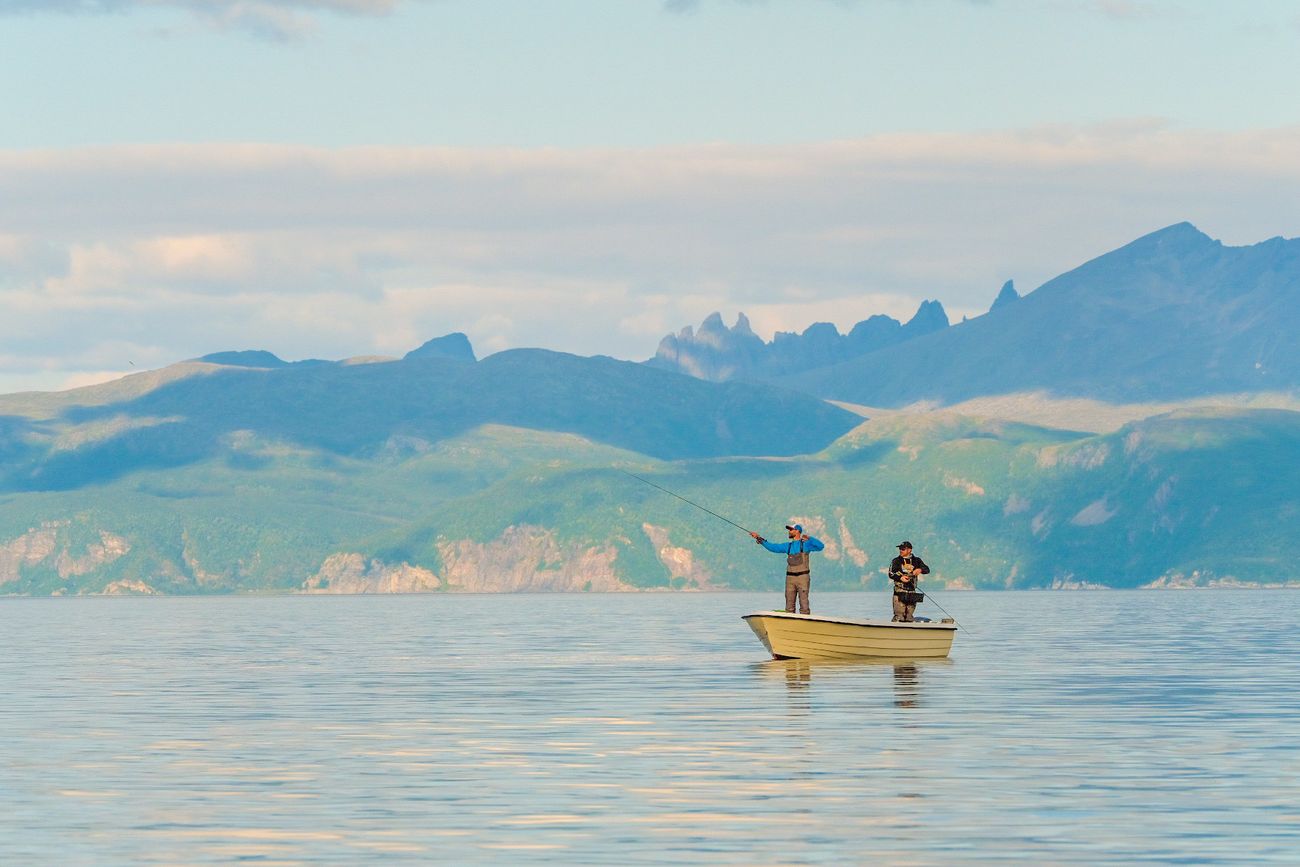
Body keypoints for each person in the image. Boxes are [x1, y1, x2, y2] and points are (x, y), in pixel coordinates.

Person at [750, 524, 824, 615]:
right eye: (789, 530)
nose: (789, 531)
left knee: (804, 604)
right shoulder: (787, 546)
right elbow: (773, 547)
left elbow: (821, 546)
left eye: (791, 529)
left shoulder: (806, 544)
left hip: (803, 578)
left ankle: (805, 623)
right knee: (789, 606)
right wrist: (759, 538)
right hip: (790, 579)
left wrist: (810, 538)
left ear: (797, 531)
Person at [888, 541, 929, 622]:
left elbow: (927, 570)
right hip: (899, 592)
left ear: (909, 550)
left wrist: (920, 569)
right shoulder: (896, 561)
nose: (900, 550)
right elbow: (890, 573)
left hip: (912, 592)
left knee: (909, 617)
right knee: (899, 617)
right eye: (900, 549)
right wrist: (900, 578)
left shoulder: (917, 560)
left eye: (903, 549)